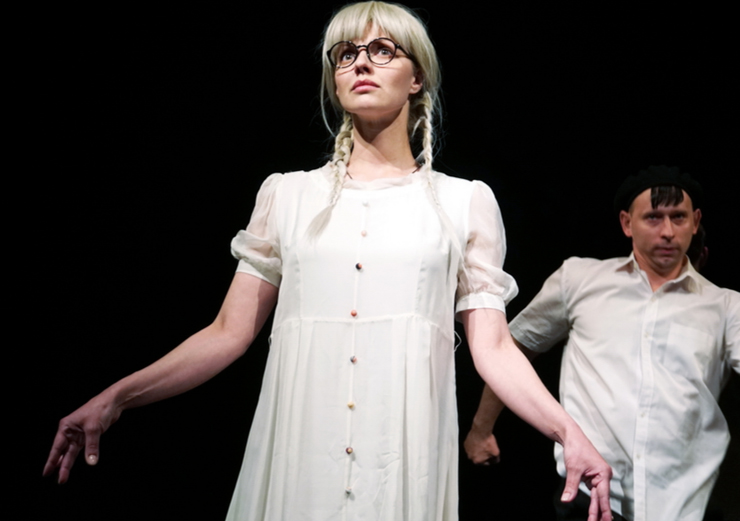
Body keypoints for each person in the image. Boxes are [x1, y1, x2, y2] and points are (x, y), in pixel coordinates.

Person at [43, 3, 613, 520]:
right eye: (345, 53)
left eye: (382, 50)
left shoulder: (464, 202)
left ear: (417, 78)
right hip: (300, 455)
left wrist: (568, 433)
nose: (360, 63)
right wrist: (117, 397)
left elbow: (494, 349)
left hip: (400, 460)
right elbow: (227, 333)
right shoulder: (287, 195)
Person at [464, 165, 740, 521]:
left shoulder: (728, 308)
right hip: (592, 500)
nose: (668, 231)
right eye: (653, 218)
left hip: (683, 506)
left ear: (696, 221)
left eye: (679, 217)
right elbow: (509, 349)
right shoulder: (579, 280)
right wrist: (482, 428)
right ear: (627, 223)